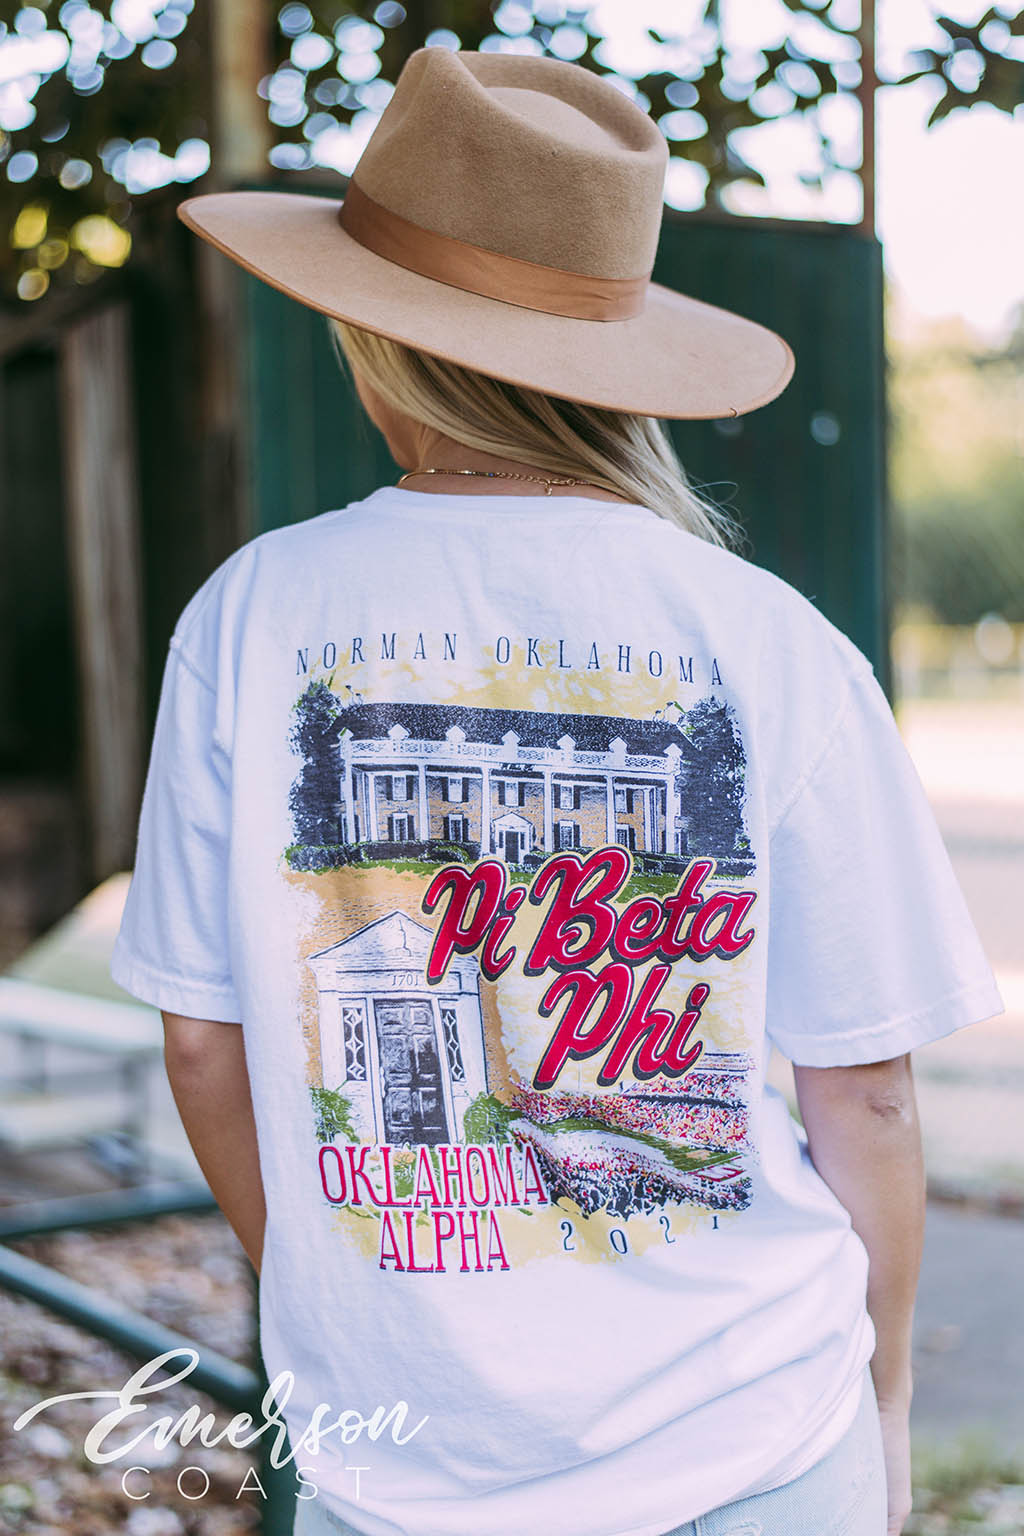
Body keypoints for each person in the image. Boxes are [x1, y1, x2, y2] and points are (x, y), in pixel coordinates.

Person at [111, 45, 1004, 1536]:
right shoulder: (771, 640)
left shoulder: (251, 616)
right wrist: (891, 1391)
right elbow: (869, 1090)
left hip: (400, 1471)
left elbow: (205, 1045)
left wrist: (343, 1300)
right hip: (758, 1440)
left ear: (372, 341)